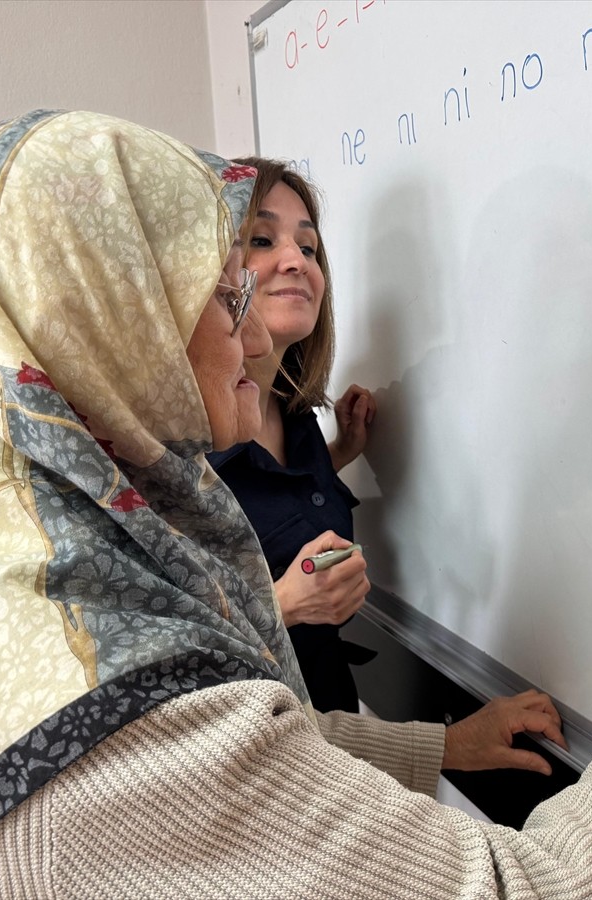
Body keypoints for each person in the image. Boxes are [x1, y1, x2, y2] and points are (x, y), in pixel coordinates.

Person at [0, 111, 592, 899]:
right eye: (219, 295)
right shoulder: (118, 721)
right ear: (105, 320)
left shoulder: (2, 590)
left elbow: (264, 747)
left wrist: (442, 742)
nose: (247, 340)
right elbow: (526, 889)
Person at [205, 157, 378, 713]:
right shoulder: (181, 442)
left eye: (308, 248)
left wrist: (338, 456)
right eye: (260, 239)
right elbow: (168, 649)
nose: (294, 261)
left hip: (341, 729)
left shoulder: (292, 408)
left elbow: (268, 495)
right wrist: (282, 604)